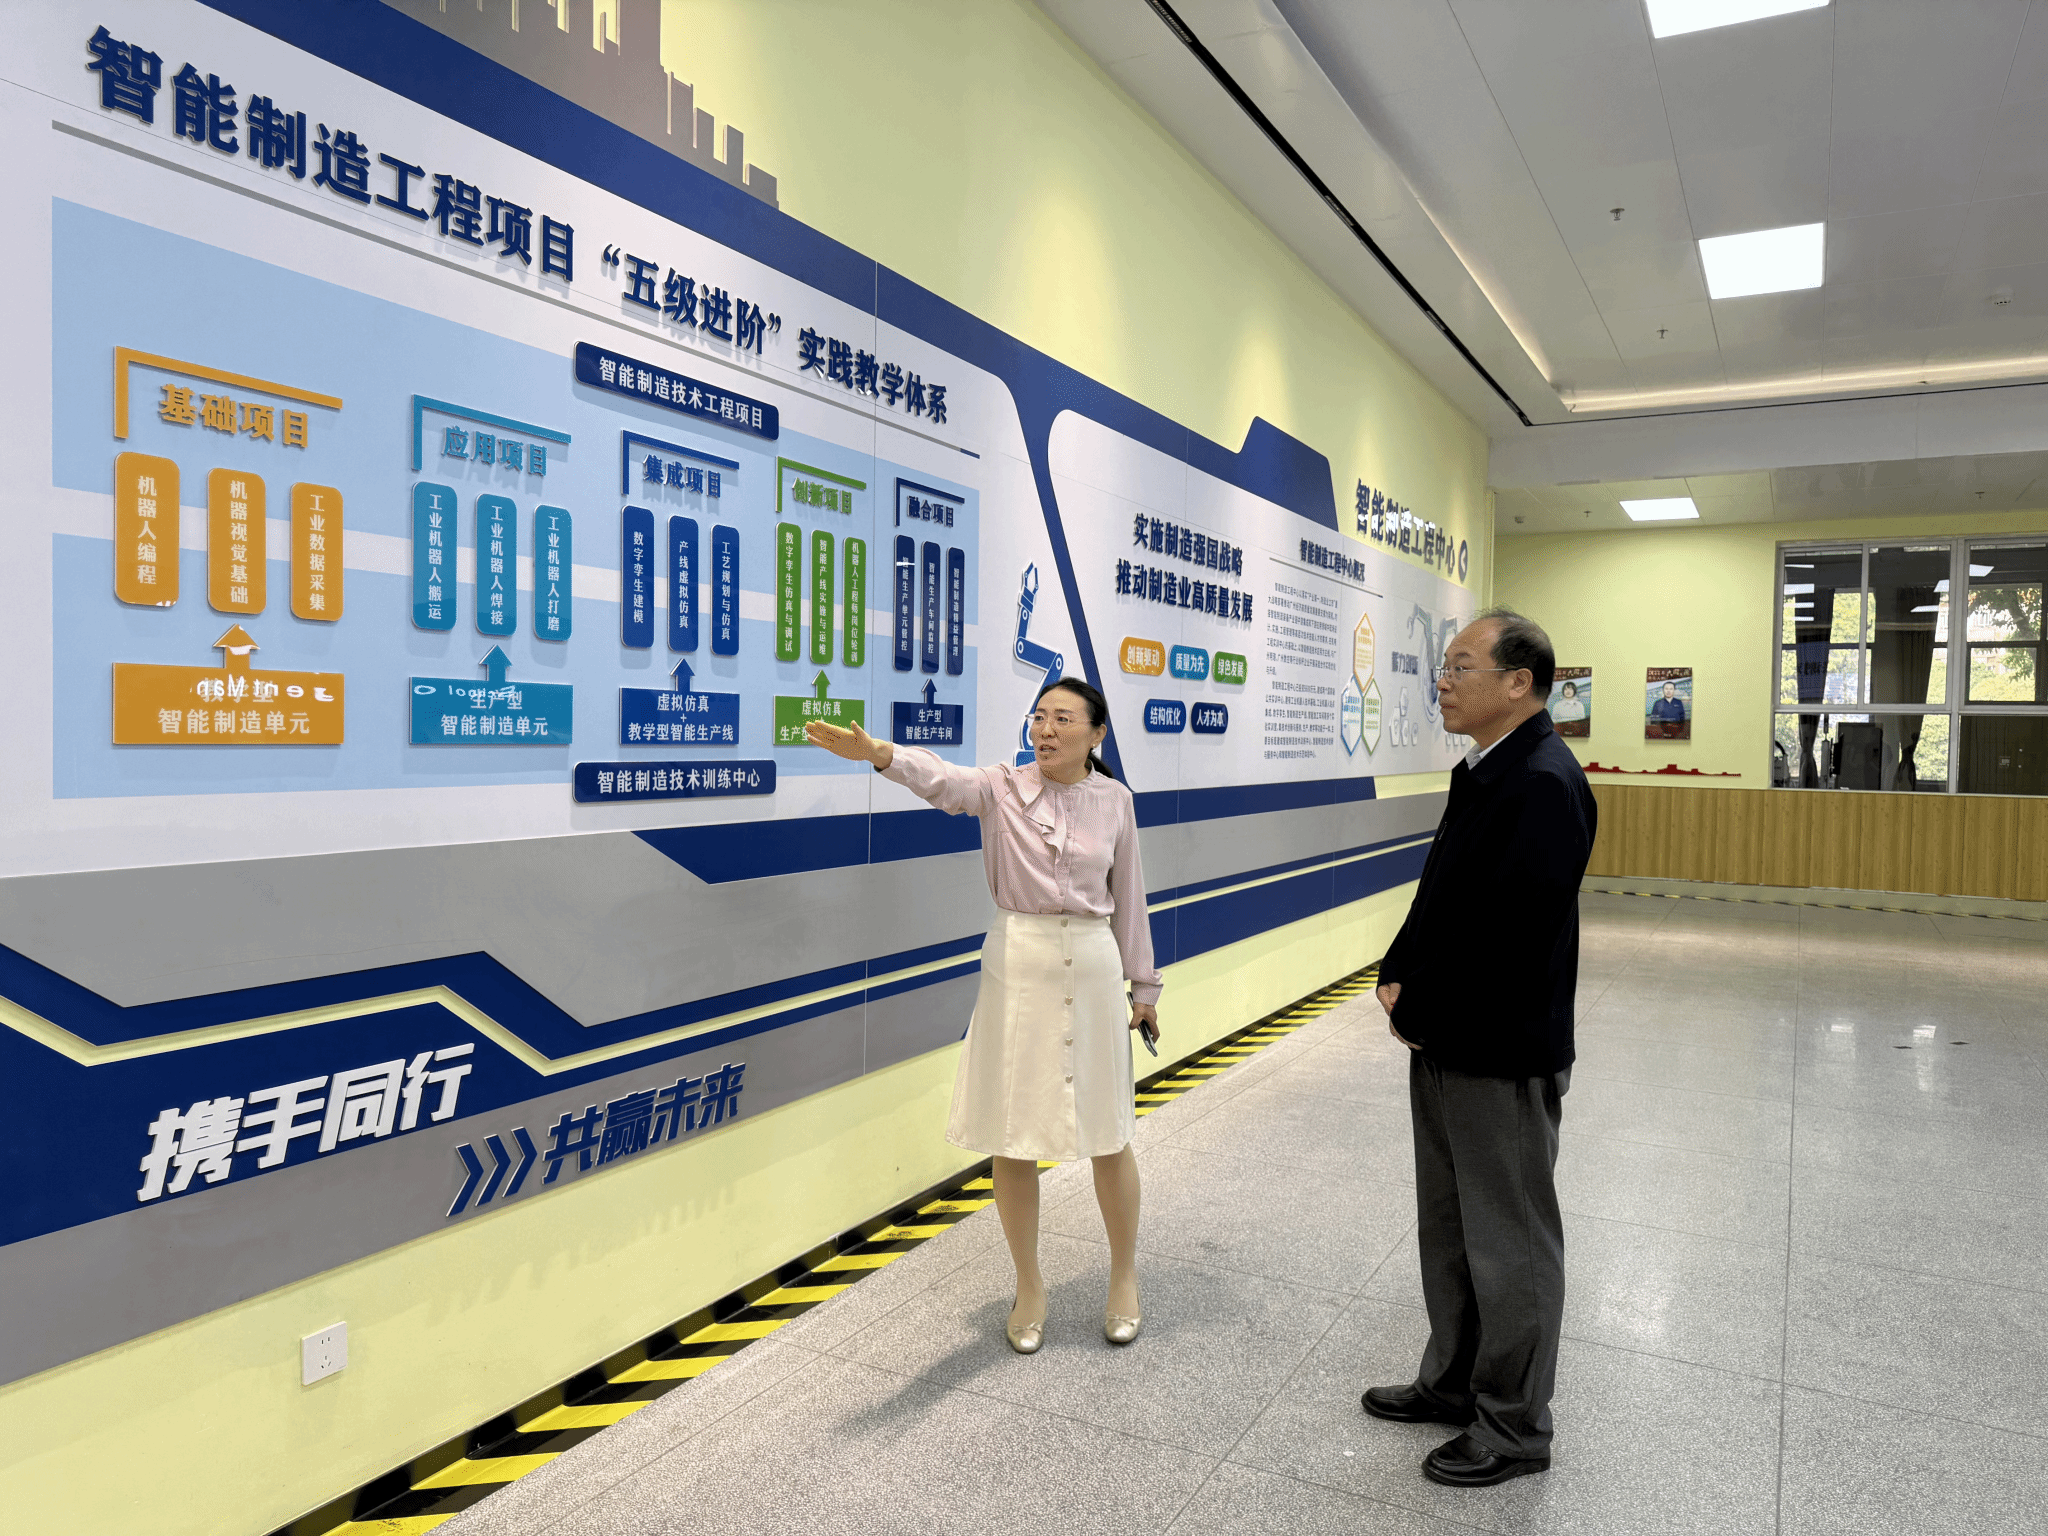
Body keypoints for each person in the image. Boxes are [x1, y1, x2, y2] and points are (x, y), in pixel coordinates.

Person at [804, 678, 1161, 1354]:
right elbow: (942, 780)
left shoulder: (1116, 801)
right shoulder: (1000, 788)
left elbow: (1131, 896)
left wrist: (1144, 986)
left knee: (1110, 1130)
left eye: (1063, 719)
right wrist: (880, 754)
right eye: (1039, 717)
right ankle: (1029, 1285)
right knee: (1012, 1131)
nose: (1046, 729)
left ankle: (1123, 1275)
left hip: (1092, 962)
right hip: (1018, 962)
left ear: (1096, 733)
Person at [1363, 608, 1596, 1489]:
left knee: (1512, 1239)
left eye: (1461, 665)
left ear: (1519, 683)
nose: (1443, 680)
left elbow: (1511, 937)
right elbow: (1442, 896)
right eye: (1445, 665)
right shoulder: (1488, 770)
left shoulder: (1543, 781)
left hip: (1499, 1048)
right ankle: (1454, 1380)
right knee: (1452, 1224)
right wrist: (1396, 973)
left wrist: (1421, 1001)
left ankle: (1514, 1424)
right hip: (1449, 1037)